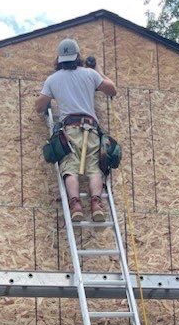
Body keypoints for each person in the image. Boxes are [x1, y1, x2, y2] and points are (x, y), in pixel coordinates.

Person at [35, 38, 118, 222]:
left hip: (70, 130)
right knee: (95, 169)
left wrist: (49, 96)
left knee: (70, 169)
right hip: (91, 129)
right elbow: (112, 90)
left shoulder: (53, 79)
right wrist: (98, 70)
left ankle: (76, 205)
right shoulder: (90, 74)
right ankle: (96, 204)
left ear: (59, 59)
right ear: (77, 56)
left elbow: (39, 107)